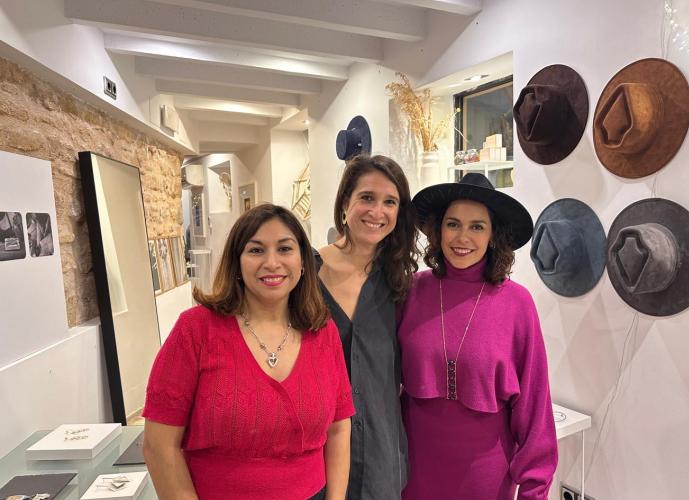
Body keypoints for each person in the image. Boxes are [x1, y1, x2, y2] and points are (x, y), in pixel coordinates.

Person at [142, 204, 355, 500]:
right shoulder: (196, 330)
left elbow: (339, 429)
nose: (272, 262)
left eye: (285, 249)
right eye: (256, 250)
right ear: (237, 262)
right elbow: (159, 445)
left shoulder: (323, 332)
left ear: (303, 262)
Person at [398, 173, 558, 500]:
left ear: (493, 235)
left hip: (486, 477)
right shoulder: (412, 291)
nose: (463, 237)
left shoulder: (516, 303)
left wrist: (534, 488)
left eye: (477, 227)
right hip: (412, 470)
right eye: (453, 224)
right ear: (439, 230)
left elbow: (534, 405)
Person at [316, 154, 419, 499]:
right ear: (346, 202)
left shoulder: (400, 282)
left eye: (390, 202)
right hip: (316, 456)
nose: (377, 211)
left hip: (381, 458)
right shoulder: (304, 274)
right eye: (367, 198)